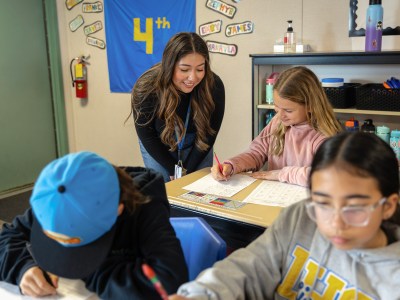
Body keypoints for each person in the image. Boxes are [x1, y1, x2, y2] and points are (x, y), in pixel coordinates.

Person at [170, 131, 400, 299]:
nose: (336, 224)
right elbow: (249, 267)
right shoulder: (301, 218)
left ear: (388, 206)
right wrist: (201, 294)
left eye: (354, 208)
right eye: (322, 203)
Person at [0, 151, 188, 299]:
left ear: (118, 210)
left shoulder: (146, 207)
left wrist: (92, 271)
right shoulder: (54, 200)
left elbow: (168, 281)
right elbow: (7, 237)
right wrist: (22, 269)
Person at [211, 66, 342, 187]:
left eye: (288, 110)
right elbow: (256, 153)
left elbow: (327, 176)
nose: (280, 115)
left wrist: (280, 174)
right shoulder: (278, 122)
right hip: (273, 195)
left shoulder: (325, 135)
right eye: (276, 107)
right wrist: (232, 165)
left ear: (310, 106)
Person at [131, 32, 225, 182]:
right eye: (184, 70)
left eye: (200, 69)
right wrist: (172, 168)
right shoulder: (146, 87)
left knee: (198, 190)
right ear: (170, 65)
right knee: (164, 192)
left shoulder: (214, 86)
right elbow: (147, 137)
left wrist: (187, 171)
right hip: (159, 144)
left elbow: (209, 135)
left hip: (198, 144)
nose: (193, 78)